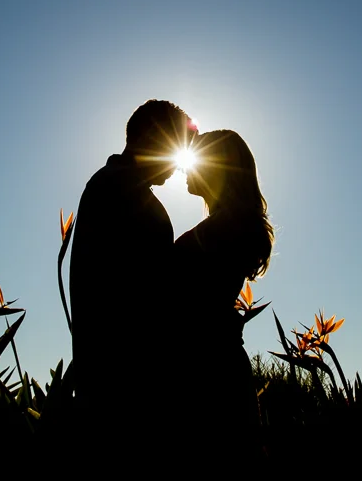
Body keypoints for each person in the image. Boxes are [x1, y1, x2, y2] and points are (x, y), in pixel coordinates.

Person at [68, 99, 197, 453]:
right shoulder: (117, 190)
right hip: (124, 393)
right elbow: (143, 295)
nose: (178, 167)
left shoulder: (116, 186)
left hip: (117, 388)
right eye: (174, 150)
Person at [172, 128, 274, 462]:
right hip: (218, 366)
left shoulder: (223, 231)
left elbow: (190, 298)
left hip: (207, 376)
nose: (185, 168)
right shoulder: (231, 225)